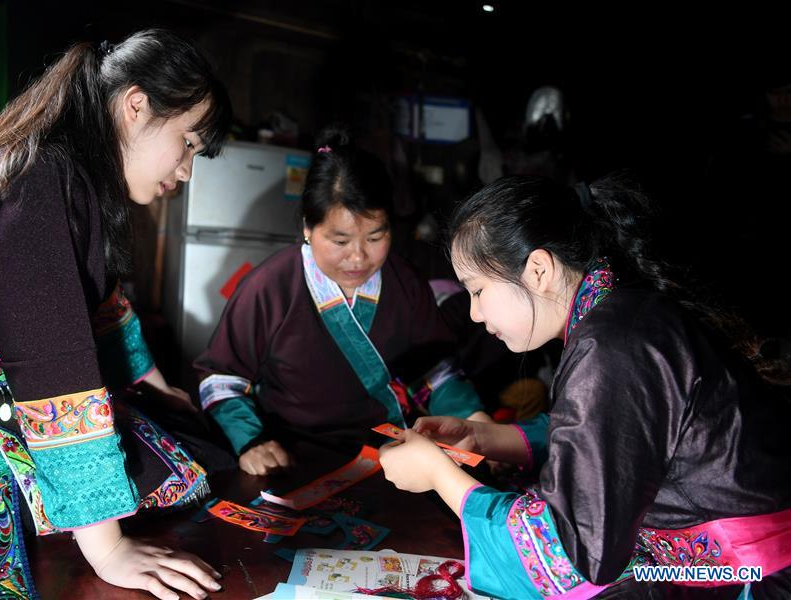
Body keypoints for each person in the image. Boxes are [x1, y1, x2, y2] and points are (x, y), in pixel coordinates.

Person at [0, 29, 232, 600]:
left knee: (193, 437)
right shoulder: (41, 178)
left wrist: (160, 387)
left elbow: (101, 307)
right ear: (135, 105)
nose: (187, 171)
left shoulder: (63, 171)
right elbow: (53, 363)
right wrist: (110, 549)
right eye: (189, 144)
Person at [378, 174, 791, 598]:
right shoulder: (617, 316)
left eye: (479, 291)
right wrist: (487, 436)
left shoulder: (613, 346)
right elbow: (609, 439)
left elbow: (568, 553)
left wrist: (440, 476)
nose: (475, 314)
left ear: (538, 269)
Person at [194, 126, 489, 476]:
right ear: (308, 227)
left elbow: (435, 372)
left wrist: (475, 421)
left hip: (389, 453)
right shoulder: (270, 287)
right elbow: (221, 379)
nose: (358, 257)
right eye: (340, 241)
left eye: (375, 237)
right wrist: (250, 441)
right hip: (288, 453)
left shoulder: (405, 283)